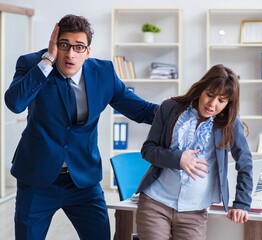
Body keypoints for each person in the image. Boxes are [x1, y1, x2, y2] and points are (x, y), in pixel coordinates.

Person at [4, 14, 157, 240]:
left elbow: (141, 110)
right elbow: (15, 103)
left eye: (78, 47)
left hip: (83, 182)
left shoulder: (103, 73)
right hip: (37, 179)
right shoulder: (32, 64)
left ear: (88, 51)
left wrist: (185, 111)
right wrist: (47, 60)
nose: (70, 54)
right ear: (55, 44)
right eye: (64, 45)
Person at [135, 64, 253, 240]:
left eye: (221, 100)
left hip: (195, 212)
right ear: (201, 89)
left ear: (229, 102)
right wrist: (178, 158)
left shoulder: (230, 123)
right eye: (210, 95)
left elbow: (245, 163)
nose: (212, 105)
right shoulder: (169, 108)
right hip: (155, 203)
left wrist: (242, 203)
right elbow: (148, 150)